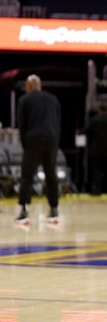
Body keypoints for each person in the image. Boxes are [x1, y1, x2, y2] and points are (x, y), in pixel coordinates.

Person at [14, 75, 61, 225]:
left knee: (27, 175)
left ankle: (23, 211)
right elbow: (58, 121)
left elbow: (22, 124)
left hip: (33, 139)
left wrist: (24, 143)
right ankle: (54, 210)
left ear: (29, 86)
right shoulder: (53, 99)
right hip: (52, 139)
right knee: (51, 174)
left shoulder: (25, 100)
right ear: (40, 85)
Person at [87, 104, 107, 195]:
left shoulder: (94, 120)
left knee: (96, 171)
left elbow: (88, 132)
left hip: (96, 150)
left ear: (99, 110)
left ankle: (97, 190)